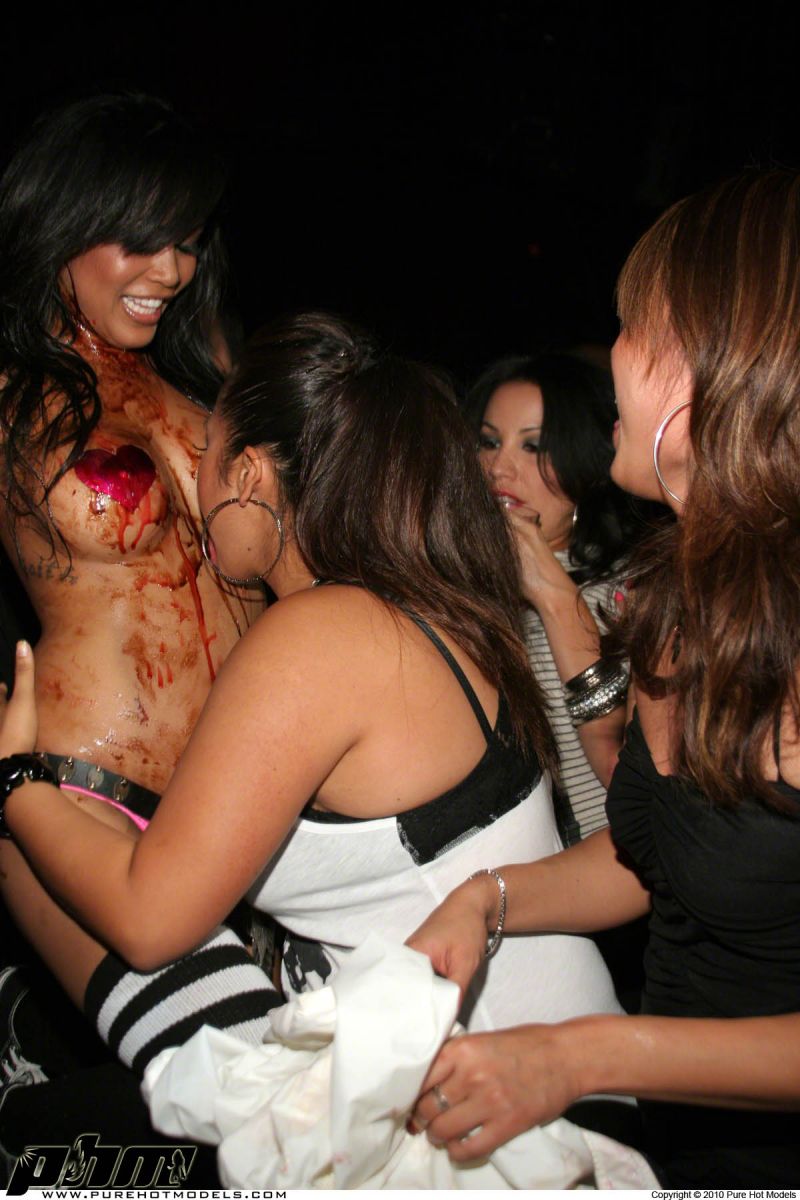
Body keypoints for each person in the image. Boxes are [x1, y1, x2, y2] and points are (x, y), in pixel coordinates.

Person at [0, 312, 624, 1094]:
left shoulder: (318, 637)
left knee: (34, 857)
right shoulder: (423, 599)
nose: (191, 490)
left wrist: (18, 782)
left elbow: (149, 921)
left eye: (205, 451)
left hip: (507, 1114)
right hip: (531, 1073)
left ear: (250, 475)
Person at [408, 170, 800, 1188]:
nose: (609, 354)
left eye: (631, 327)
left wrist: (579, 1055)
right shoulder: (689, 597)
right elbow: (657, 859)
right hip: (676, 1145)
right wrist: (489, 898)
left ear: (710, 362)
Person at [0, 93, 272, 1170]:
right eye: (142, 238)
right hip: (79, 800)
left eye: (189, 241)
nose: (172, 268)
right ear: (63, 223)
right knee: (255, 1099)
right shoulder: (11, 392)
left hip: (248, 811)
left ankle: (33, 1079)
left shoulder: (202, 386)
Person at [469, 353, 651, 843]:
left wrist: (554, 597)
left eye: (534, 446)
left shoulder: (627, 594)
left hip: (610, 860)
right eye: (489, 441)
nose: (499, 467)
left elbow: (627, 778)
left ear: (584, 463)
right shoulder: (463, 588)